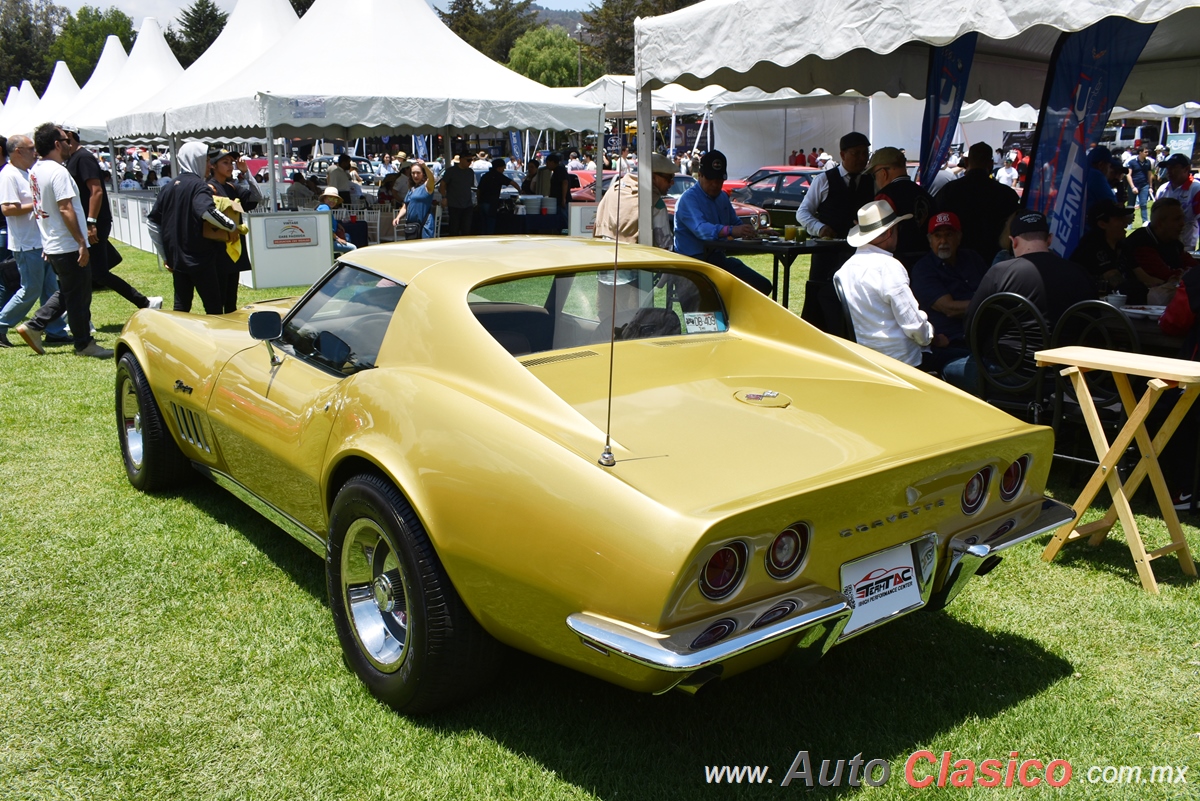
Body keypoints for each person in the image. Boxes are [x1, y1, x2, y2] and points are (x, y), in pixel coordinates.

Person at [943, 211, 1094, 394]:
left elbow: (972, 328)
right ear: (1049, 239)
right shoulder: (1080, 274)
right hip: (1068, 378)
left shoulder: (1000, 273)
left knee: (947, 367)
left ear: (1013, 241)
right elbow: (1092, 324)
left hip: (1009, 377)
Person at [15, 123, 110, 358]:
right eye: (66, 141)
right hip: (67, 244)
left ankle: (35, 326)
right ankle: (83, 343)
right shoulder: (58, 172)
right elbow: (65, 208)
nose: (70, 144)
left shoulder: (36, 171)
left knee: (70, 289)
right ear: (57, 144)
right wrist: (81, 241)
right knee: (79, 295)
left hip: (54, 242)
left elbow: (41, 208)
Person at [837, 199, 944, 370]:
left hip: (867, 357)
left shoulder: (844, 270)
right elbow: (913, 325)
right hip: (904, 360)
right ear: (889, 233)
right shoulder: (888, 266)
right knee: (957, 359)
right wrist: (933, 337)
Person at [64, 127, 161, 312]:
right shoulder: (74, 159)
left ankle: (144, 302)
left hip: (93, 223)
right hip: (88, 223)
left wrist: (91, 222)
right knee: (91, 272)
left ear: (69, 136)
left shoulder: (83, 158)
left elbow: (96, 190)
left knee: (93, 272)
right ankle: (143, 302)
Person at [796, 131, 876, 334]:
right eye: (856, 153)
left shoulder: (870, 182)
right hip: (827, 256)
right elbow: (803, 212)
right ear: (842, 154)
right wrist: (819, 228)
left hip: (857, 255)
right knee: (821, 304)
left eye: (864, 153)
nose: (862, 159)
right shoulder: (824, 180)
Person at [147, 141, 240, 314]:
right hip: (200, 258)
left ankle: (179, 340)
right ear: (196, 160)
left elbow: (152, 223)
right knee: (214, 309)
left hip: (177, 260)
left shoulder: (168, 187)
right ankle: (216, 341)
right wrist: (231, 226)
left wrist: (166, 255)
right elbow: (207, 211)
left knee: (181, 308)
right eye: (206, 161)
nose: (209, 165)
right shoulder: (199, 186)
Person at [0, 133, 69, 348]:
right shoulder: (8, 175)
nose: (35, 152)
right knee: (30, 289)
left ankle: (55, 331)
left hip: (40, 242)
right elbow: (7, 209)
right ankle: (2, 325)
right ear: (18, 151)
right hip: (26, 242)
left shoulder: (26, 172)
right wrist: (39, 205)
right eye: (30, 148)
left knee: (49, 289)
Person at [673, 149, 773, 295]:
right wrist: (732, 231)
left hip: (717, 261)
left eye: (719, 180)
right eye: (710, 179)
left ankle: (737, 315)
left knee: (762, 285)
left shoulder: (721, 198)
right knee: (716, 299)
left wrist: (757, 232)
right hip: (693, 265)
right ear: (700, 175)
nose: (715, 184)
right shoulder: (688, 199)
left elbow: (735, 223)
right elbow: (702, 230)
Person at [910, 211, 989, 349]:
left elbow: (992, 290)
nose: (943, 241)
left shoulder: (972, 258)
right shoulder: (923, 269)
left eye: (949, 235)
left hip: (984, 336)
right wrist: (988, 304)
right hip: (951, 343)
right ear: (930, 241)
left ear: (959, 238)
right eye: (938, 236)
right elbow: (949, 308)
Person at [936, 141, 1021, 263]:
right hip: (995, 260)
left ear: (966, 162)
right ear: (991, 164)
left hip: (957, 259)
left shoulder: (949, 191)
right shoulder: (1007, 194)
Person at [207, 148, 260, 313]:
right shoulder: (208, 188)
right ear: (213, 165)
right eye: (225, 162)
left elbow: (256, 197)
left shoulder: (232, 186)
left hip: (234, 248)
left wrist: (247, 172)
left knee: (231, 300)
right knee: (218, 299)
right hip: (217, 249)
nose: (230, 166)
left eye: (231, 162)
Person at [1120, 197, 1195, 305]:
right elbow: (1165, 276)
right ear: (1160, 224)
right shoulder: (1141, 242)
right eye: (1177, 219)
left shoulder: (1173, 242)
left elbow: (1194, 268)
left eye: (1182, 219)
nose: (1182, 224)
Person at [593, 152, 675, 249]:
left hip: (605, 255)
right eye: (669, 179)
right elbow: (665, 245)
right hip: (636, 259)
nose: (672, 183)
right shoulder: (655, 202)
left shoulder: (614, 189)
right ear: (653, 177)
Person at [865, 146, 932, 265]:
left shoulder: (885, 196)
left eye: (874, 175)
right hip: (928, 261)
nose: (875, 180)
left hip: (897, 261)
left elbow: (879, 236)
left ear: (883, 173)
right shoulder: (925, 194)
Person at [1070, 201, 1134, 292]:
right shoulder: (1091, 248)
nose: (1125, 223)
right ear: (1102, 224)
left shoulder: (1122, 246)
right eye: (1119, 218)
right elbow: (1115, 281)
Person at [1154, 153, 1200, 251]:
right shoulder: (1163, 189)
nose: (1169, 171)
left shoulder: (1196, 189)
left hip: (1185, 245)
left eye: (1174, 167)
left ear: (1186, 169)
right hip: (1161, 244)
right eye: (1168, 167)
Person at [395, 160, 437, 240]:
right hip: (412, 227)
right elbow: (405, 207)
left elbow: (431, 178)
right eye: (413, 173)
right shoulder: (411, 189)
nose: (415, 175)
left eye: (418, 173)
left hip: (425, 226)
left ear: (423, 174)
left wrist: (424, 166)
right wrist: (398, 217)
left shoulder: (427, 187)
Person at [476, 158, 519, 235]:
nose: (504, 170)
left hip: (482, 201)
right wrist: (520, 190)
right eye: (503, 168)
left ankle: (483, 236)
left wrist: (478, 201)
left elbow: (479, 190)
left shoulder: (485, 176)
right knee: (491, 221)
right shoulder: (499, 176)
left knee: (483, 223)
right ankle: (490, 236)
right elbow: (512, 183)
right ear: (498, 168)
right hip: (492, 203)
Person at [439, 153, 476, 236]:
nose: (470, 162)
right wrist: (444, 197)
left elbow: (471, 187)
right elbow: (442, 185)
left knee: (466, 230)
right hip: (454, 205)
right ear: (461, 159)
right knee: (454, 230)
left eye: (471, 160)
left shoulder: (470, 172)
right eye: (468, 160)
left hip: (467, 205)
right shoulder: (451, 171)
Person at [316, 186, 356, 253]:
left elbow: (329, 222)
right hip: (327, 242)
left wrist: (338, 224)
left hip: (329, 239)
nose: (332, 201)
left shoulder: (325, 207)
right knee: (353, 248)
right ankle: (345, 262)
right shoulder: (324, 208)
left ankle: (343, 260)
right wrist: (337, 238)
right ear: (325, 198)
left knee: (347, 236)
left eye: (335, 199)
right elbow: (326, 227)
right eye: (330, 198)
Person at [1124, 145, 1157, 227]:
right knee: (1130, 205)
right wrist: (1132, 187)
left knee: (1143, 204)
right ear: (1140, 152)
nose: (1147, 153)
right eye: (1145, 152)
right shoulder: (1132, 162)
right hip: (1134, 185)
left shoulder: (1148, 162)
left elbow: (1149, 174)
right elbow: (1128, 175)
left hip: (1144, 185)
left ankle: (1145, 223)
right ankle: (1129, 224)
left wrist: (1150, 187)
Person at [546, 152, 570, 230]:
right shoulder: (556, 171)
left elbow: (565, 182)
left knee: (564, 219)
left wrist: (563, 198)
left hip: (561, 200)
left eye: (548, 163)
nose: (547, 165)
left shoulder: (560, 170)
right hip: (557, 200)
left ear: (552, 162)